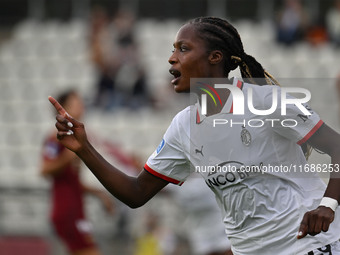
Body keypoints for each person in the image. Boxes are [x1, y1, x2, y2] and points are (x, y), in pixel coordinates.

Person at [48, 17, 340, 255]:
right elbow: (137, 193)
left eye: (183, 49)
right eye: (173, 50)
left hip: (309, 245)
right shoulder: (184, 125)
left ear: (215, 57)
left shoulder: (267, 102)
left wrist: (328, 205)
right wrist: (84, 149)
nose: (172, 59)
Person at [40, 90, 114, 255]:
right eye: (76, 102)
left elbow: (72, 181)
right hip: (67, 210)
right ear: (64, 108)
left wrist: (99, 194)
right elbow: (44, 169)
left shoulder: (73, 138)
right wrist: (69, 155)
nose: (82, 106)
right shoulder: (55, 139)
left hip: (75, 209)